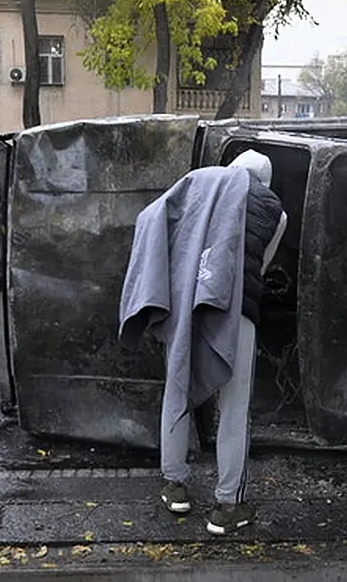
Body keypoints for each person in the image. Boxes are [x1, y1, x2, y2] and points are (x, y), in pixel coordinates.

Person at [119, 149, 287, 535]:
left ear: (231, 171)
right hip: (236, 311)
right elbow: (258, 267)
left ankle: (175, 486)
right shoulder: (275, 211)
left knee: (176, 389)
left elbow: (151, 217)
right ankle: (228, 506)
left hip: (183, 305)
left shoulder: (199, 183)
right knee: (234, 407)